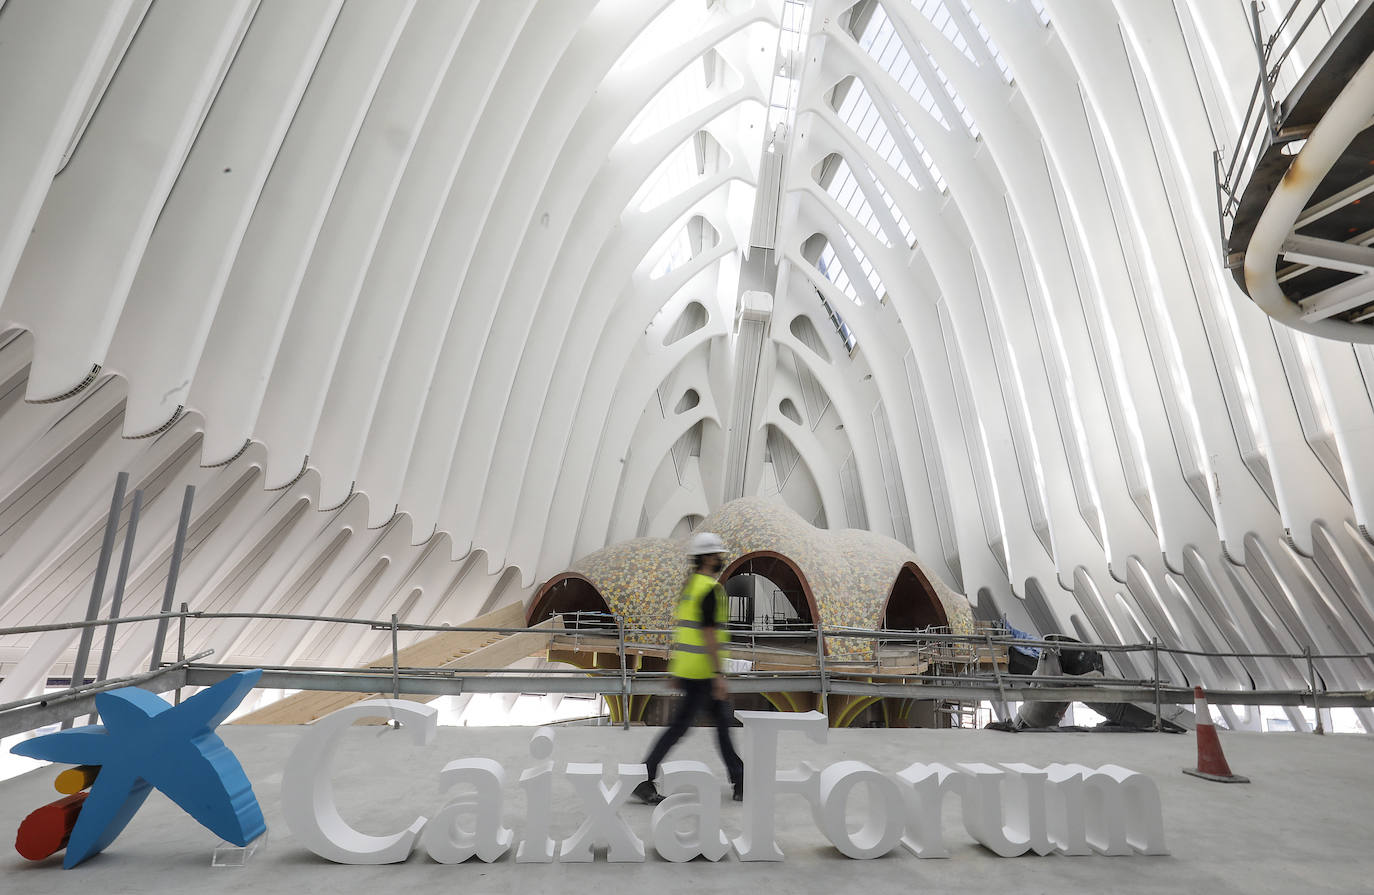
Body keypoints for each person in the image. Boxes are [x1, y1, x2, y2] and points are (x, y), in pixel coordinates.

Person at [632, 531, 745, 805]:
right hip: (703, 673)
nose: (721, 559)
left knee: (717, 726)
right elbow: (708, 634)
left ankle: (741, 779)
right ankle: (642, 777)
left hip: (690, 670)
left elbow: (684, 632)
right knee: (689, 727)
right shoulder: (710, 590)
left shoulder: (690, 587)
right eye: (718, 555)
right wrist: (718, 674)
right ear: (707, 558)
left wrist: (676, 669)